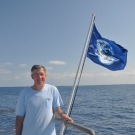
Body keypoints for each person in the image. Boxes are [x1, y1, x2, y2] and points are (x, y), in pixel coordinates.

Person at [15, 65, 73, 135]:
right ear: (32, 77)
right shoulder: (24, 93)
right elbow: (19, 117)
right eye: (36, 74)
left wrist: (63, 116)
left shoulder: (53, 90)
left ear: (45, 76)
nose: (39, 77)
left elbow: (57, 110)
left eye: (41, 74)